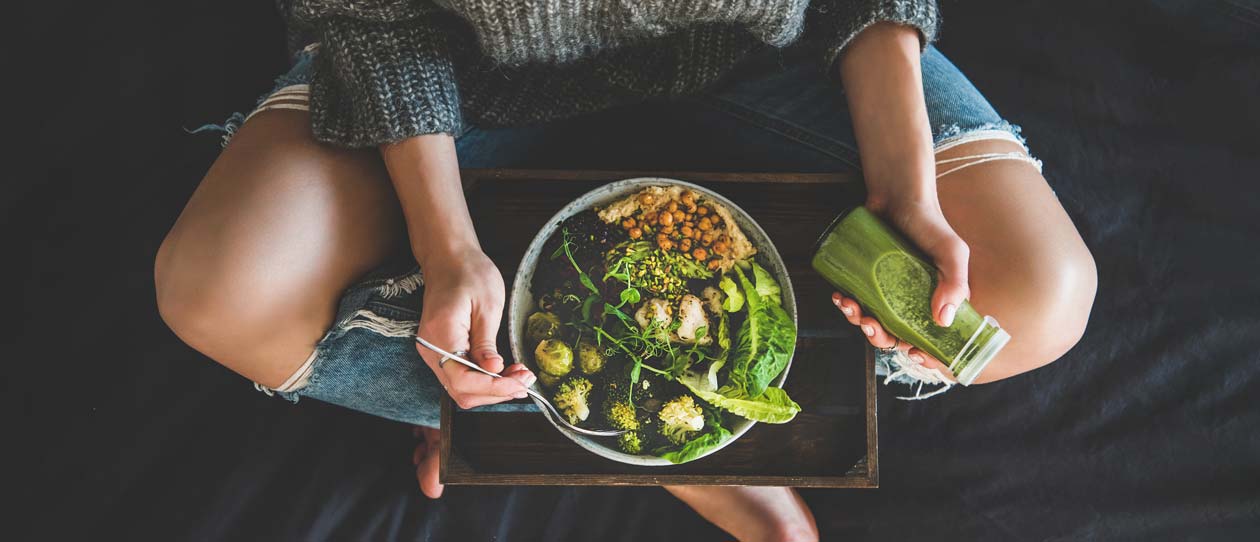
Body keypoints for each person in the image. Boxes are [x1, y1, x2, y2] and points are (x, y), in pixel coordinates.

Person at [155, 1, 1096, 539]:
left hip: (773, 56)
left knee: (1036, 298)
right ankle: (648, 446)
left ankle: (508, 411)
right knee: (218, 287)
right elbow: (374, 15)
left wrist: (906, 195)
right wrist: (447, 247)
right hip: (453, 74)